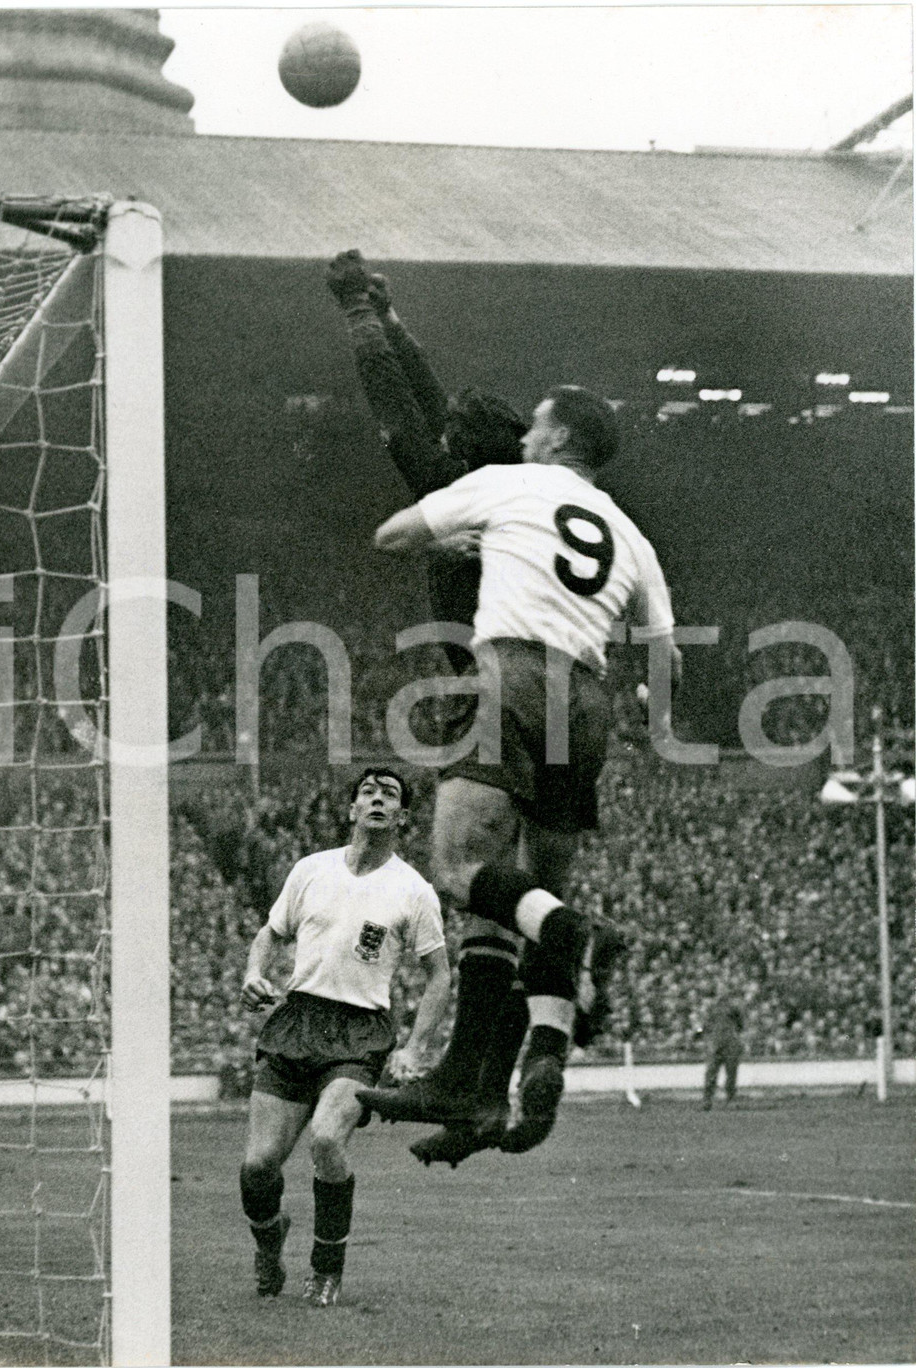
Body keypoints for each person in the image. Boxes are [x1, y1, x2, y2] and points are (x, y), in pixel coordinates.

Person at [357, 384, 680, 1153]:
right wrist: (661, 724)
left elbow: (390, 535)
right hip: (589, 701)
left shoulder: (508, 483)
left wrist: (454, 541)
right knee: (526, 891)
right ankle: (522, 1071)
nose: (527, 438)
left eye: (537, 427)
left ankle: (586, 939)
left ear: (560, 437)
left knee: (459, 867)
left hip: (512, 678)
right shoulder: (631, 535)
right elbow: (664, 645)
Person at [326, 251, 536, 1167]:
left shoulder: (459, 507)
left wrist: (360, 321)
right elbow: (439, 402)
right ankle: (488, 1093)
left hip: (480, 700)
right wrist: (391, 312)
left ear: (464, 452)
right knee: (495, 905)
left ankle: (482, 1074)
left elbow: (396, 417)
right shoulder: (514, 492)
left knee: (462, 878)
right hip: (546, 702)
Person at [238, 767, 450, 1306]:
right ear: (353, 809)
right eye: (368, 792)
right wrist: (253, 972)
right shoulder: (311, 869)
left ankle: (326, 1270)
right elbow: (270, 934)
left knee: (328, 1138)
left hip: (360, 1032)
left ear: (401, 817)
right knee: (258, 1168)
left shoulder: (413, 891)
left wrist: (415, 1047)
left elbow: (440, 975)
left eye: (390, 795)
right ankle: (269, 1242)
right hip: (297, 1022)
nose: (377, 799)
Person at [700, 988, 744, 1110]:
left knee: (731, 1073)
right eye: (720, 992)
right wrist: (704, 1035)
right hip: (716, 1044)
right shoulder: (711, 1008)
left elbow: (740, 1024)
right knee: (711, 1073)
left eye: (724, 992)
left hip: (729, 1044)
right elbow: (704, 1025)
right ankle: (707, 1100)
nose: (722, 995)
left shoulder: (733, 1008)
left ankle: (730, 1099)